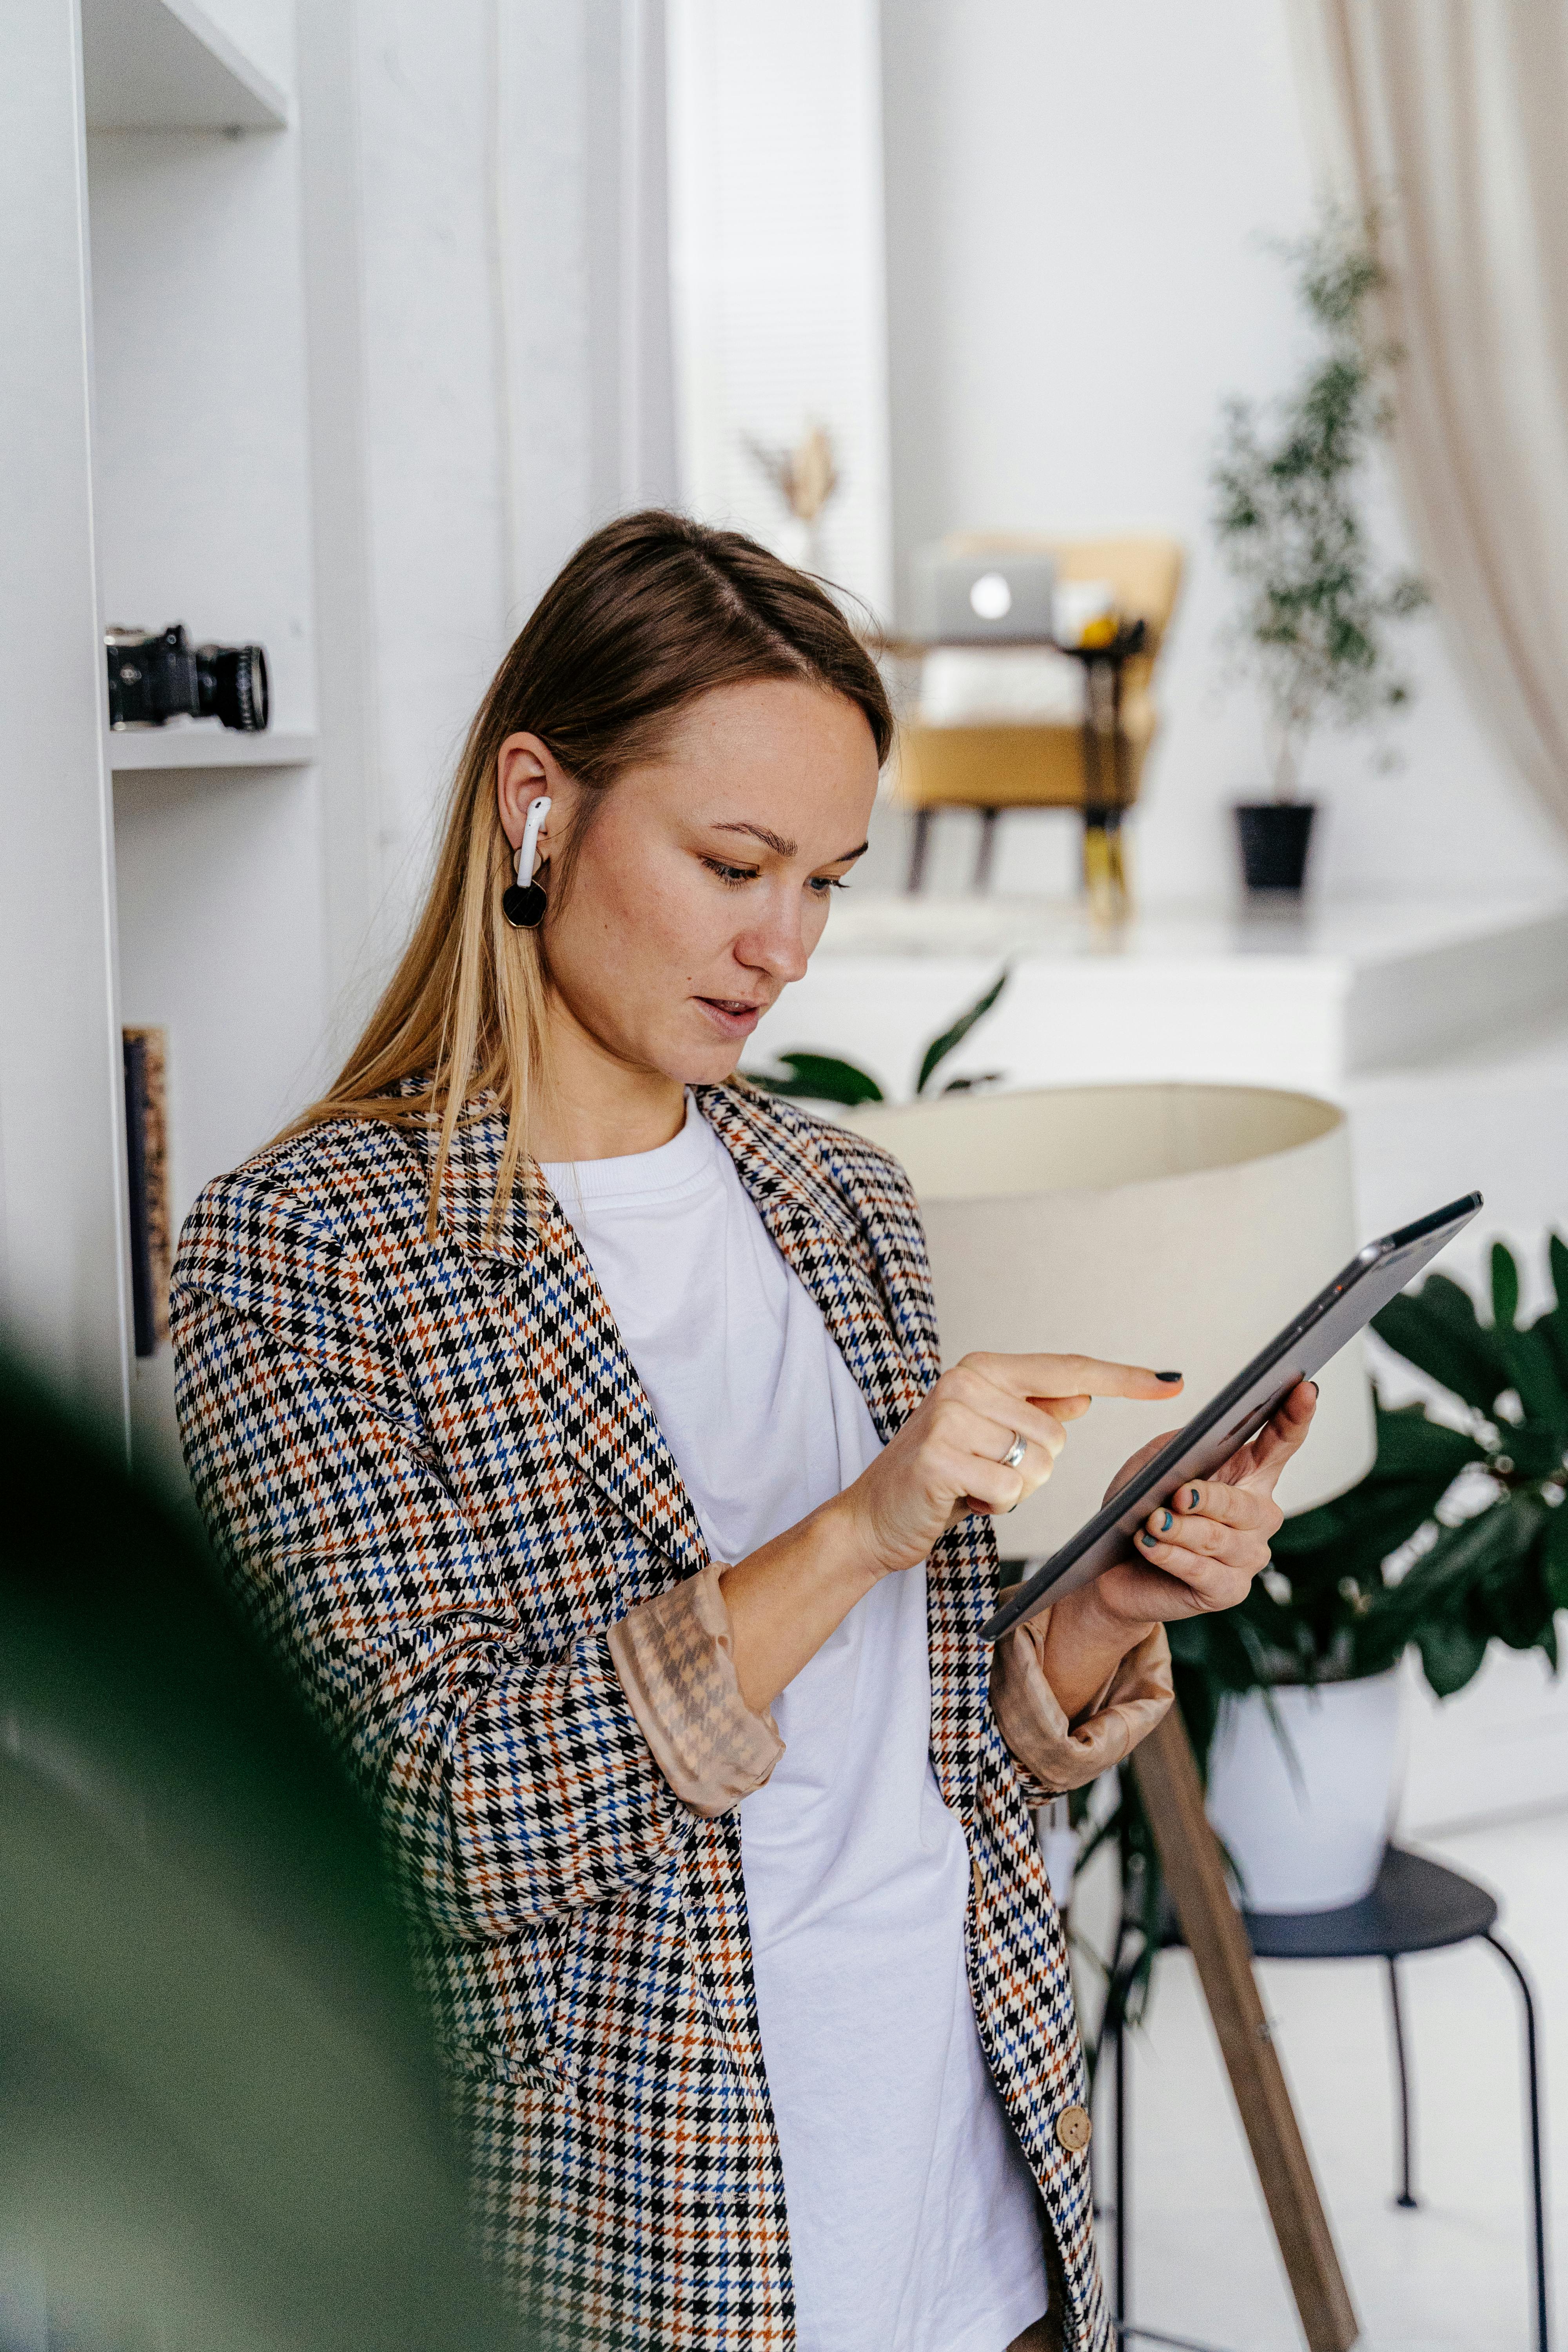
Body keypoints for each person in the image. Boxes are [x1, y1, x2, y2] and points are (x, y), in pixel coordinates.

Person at [171, 512, 1314, 2352]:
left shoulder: (838, 1198)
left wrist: (1106, 1606)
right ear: (536, 803)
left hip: (980, 2200)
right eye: (733, 863)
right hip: (657, 2241)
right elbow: (430, 1819)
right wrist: (859, 1527)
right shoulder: (307, 1252)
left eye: (829, 882)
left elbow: (928, 1742)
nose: (782, 946)